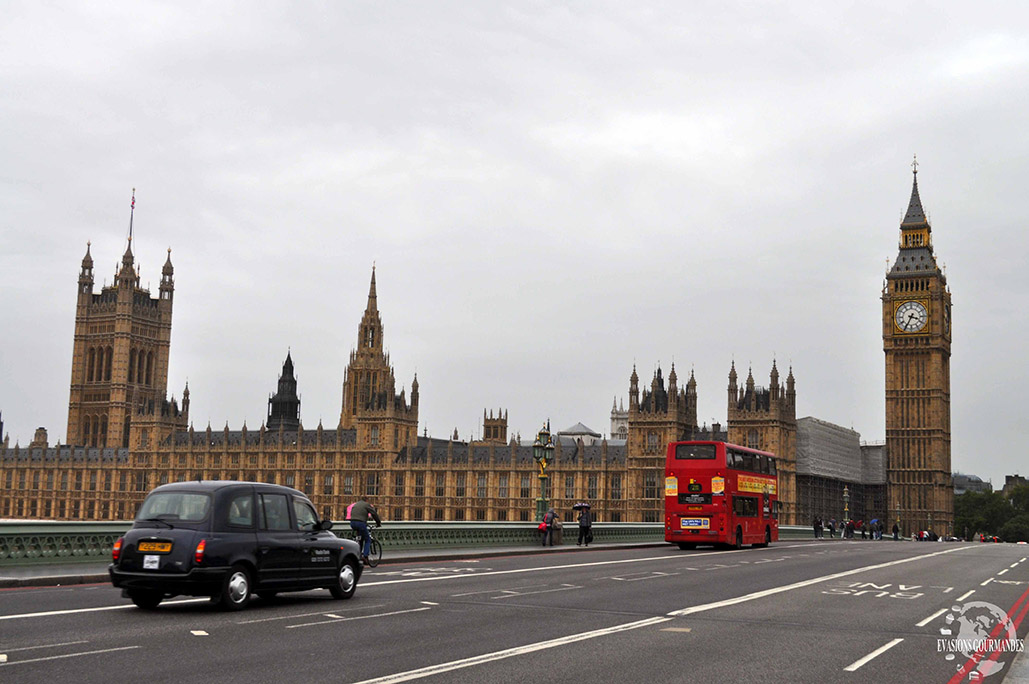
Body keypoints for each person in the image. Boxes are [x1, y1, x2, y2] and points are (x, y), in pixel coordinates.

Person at [346, 496, 381, 563]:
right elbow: (374, 514)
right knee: (368, 540)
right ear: (367, 500)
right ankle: (365, 556)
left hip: (352, 523)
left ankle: (358, 555)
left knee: (361, 539)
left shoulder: (355, 504)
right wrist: (378, 523)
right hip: (360, 523)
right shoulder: (366, 505)